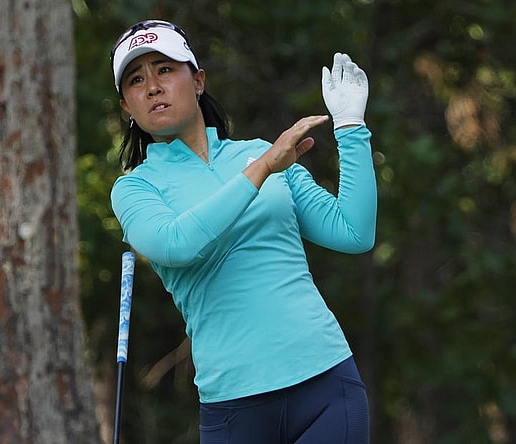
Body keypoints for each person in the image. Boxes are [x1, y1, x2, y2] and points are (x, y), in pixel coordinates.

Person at [108, 19, 376, 443]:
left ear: (197, 82)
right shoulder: (135, 188)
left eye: (164, 70)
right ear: (127, 107)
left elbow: (353, 232)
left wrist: (350, 128)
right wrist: (265, 168)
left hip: (326, 383)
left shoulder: (260, 154)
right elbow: (177, 244)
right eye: (136, 80)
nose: (153, 87)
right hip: (235, 407)